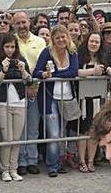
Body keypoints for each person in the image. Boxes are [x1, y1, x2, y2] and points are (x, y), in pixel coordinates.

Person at [33, 24, 79, 178]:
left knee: (62, 133)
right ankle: (52, 165)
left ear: (67, 37)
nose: (61, 40)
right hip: (49, 97)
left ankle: (59, 162)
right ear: (53, 39)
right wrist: (44, 75)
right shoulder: (47, 52)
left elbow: (73, 72)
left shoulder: (72, 52)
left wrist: (55, 74)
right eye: (57, 37)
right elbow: (36, 72)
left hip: (67, 97)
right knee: (54, 134)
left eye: (63, 36)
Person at [0, 32, 32, 182]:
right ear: (2, 47)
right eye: (7, 46)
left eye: (12, 47)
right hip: (3, 102)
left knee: (16, 139)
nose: (10, 50)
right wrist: (3, 70)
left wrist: (23, 70)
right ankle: (5, 170)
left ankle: (13, 169)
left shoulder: (21, 60)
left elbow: (29, 80)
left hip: (20, 102)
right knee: (6, 139)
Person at [76, 31, 111, 172]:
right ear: (87, 42)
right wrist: (92, 71)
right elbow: (75, 72)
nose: (94, 44)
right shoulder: (79, 56)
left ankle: (91, 161)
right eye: (91, 41)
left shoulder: (105, 57)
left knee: (94, 130)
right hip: (82, 98)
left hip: (98, 98)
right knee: (82, 130)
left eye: (97, 42)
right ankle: (81, 161)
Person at [12, 11, 48, 176]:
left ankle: (32, 160)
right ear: (14, 25)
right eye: (18, 23)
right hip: (17, 90)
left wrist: (34, 85)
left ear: (29, 23)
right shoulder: (12, 41)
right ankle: (21, 161)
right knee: (20, 128)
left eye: (24, 22)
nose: (22, 26)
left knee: (32, 127)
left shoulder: (40, 41)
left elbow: (43, 65)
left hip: (36, 89)